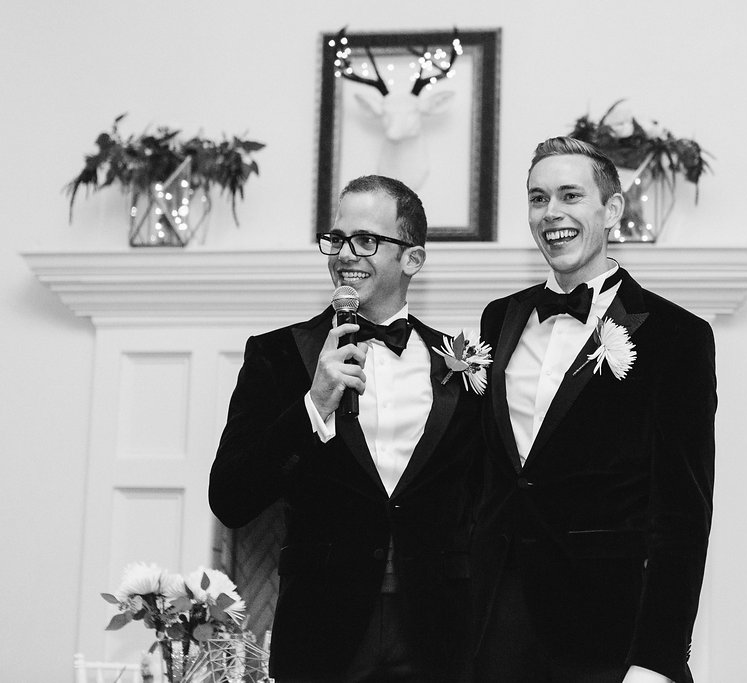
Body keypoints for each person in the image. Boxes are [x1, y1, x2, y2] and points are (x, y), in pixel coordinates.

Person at [210, 175, 481, 682]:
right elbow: (230, 497)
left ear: (413, 259)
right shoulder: (278, 356)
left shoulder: (461, 364)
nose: (345, 254)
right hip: (321, 631)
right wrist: (312, 405)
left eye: (366, 240)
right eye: (337, 239)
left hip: (439, 633)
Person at [471, 137, 717, 683]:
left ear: (611, 210)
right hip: (496, 632)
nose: (551, 213)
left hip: (607, 634)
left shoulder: (676, 336)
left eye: (570, 195)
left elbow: (683, 514)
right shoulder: (499, 319)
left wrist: (657, 659)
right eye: (538, 198)